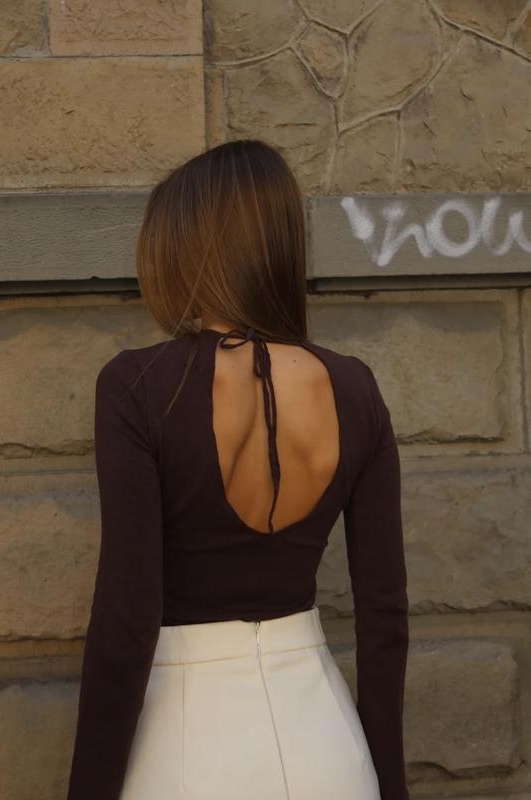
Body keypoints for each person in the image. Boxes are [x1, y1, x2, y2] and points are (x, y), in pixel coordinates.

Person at [66, 139, 410, 800]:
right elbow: (384, 617)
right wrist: (388, 786)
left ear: (182, 249)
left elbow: (126, 622)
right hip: (327, 747)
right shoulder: (355, 388)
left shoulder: (137, 385)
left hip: (185, 748)